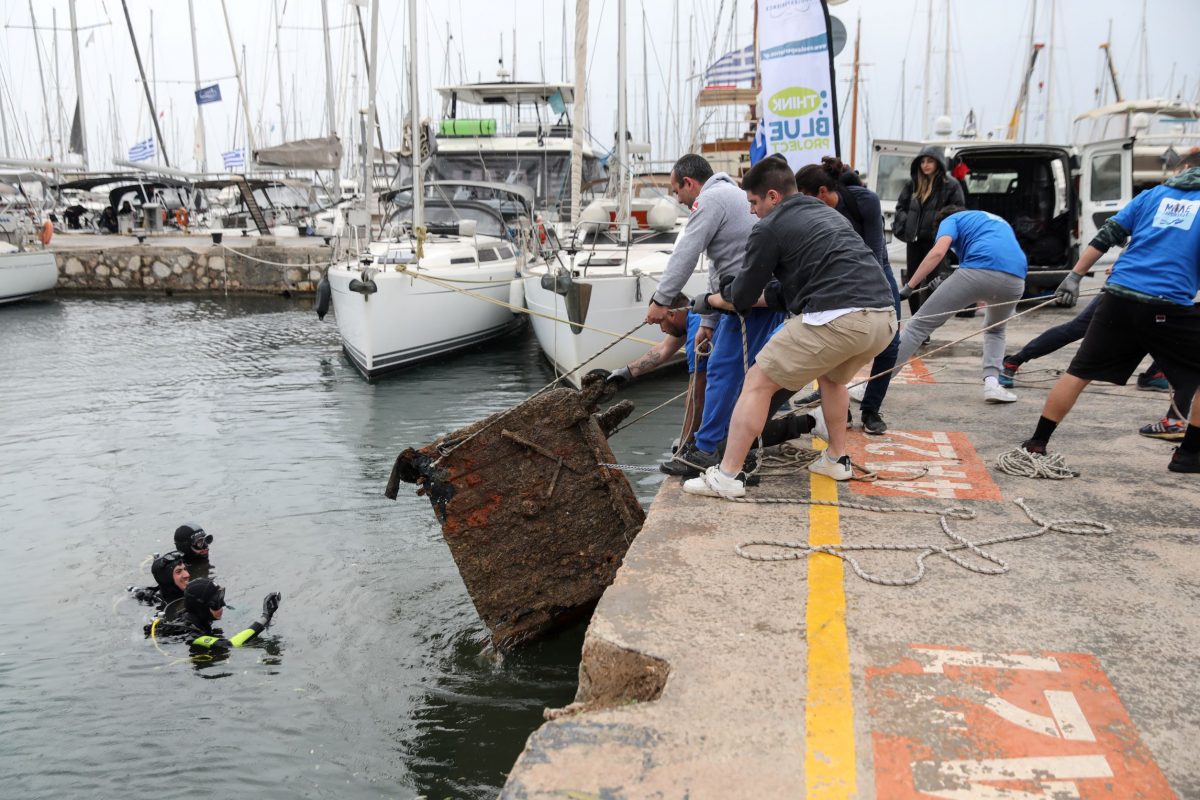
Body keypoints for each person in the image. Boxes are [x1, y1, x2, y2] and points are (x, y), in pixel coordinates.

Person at [682, 155, 896, 498]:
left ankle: (726, 476)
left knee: (757, 382)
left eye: (753, 202)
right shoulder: (826, 214)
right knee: (833, 377)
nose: (751, 210)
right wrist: (734, 296)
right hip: (883, 318)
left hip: (838, 318)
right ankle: (837, 459)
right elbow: (783, 293)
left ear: (772, 196)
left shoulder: (769, 227)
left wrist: (710, 301)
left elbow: (742, 296)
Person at [1017, 155, 1200, 473]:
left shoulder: (1152, 195)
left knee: (1078, 373)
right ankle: (1188, 456)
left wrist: (1074, 275)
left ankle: (1037, 443)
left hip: (1117, 296)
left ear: (1183, 170)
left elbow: (1108, 234)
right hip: (1167, 305)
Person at [647, 154, 786, 477]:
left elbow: (687, 251)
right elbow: (720, 263)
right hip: (751, 300)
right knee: (745, 377)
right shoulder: (731, 196)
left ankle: (707, 450)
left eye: (675, 190)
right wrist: (708, 322)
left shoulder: (710, 200)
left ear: (689, 183)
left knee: (722, 372)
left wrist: (660, 300)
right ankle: (733, 447)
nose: (675, 197)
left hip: (749, 304)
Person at [796, 156, 901, 435]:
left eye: (805, 197)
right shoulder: (812, 213)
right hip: (837, 276)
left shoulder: (864, 201)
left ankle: (871, 409)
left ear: (821, 192)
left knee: (890, 344)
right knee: (832, 336)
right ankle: (837, 404)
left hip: (876, 269)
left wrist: (873, 297)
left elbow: (875, 251)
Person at [1000, 298, 1195, 441]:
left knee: (1181, 347)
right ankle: (1015, 360)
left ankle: (1159, 387)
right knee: (1076, 332)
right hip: (1128, 296)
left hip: (1160, 300)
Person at [896, 207, 1026, 404]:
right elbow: (994, 255)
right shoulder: (996, 220)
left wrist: (910, 285)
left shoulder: (950, 220)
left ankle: (873, 385)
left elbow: (938, 252)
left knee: (918, 325)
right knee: (996, 330)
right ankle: (993, 384)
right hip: (1016, 278)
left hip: (977, 271)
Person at [892, 145, 965, 314]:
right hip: (915, 241)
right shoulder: (913, 183)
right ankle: (916, 322)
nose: (925, 165)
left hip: (937, 241)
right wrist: (906, 223)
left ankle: (926, 323)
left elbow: (958, 210)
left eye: (930, 161)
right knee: (912, 282)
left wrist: (941, 225)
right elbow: (900, 207)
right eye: (922, 161)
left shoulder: (951, 185)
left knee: (934, 283)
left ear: (938, 163)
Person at [152, 577, 281, 651]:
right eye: (216, 602)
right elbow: (230, 644)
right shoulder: (194, 635)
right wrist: (265, 617)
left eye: (221, 598)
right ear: (202, 607)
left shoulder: (196, 616)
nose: (223, 605)